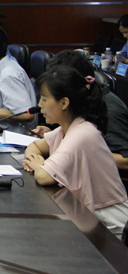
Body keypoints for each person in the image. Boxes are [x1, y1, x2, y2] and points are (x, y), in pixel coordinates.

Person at [23, 65, 128, 238]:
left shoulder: (82, 133)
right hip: (87, 213)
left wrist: (38, 165)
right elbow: (35, 146)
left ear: (64, 103)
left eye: (44, 99)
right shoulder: (67, 127)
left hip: (108, 222)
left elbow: (43, 176)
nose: (39, 105)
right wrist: (33, 161)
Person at [32, 50, 128, 170]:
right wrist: (55, 133)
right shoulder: (79, 102)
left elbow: (125, 160)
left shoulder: (109, 109)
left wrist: (77, 151)